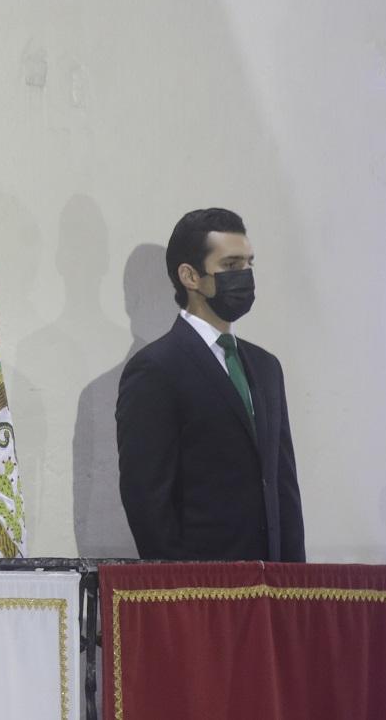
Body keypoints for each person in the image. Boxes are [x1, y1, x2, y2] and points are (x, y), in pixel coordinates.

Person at [116, 208, 304, 561]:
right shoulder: (156, 369)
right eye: (231, 266)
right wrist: (183, 588)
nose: (245, 276)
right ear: (189, 275)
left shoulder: (266, 367)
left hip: (273, 587)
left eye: (249, 264)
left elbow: (283, 486)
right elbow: (147, 499)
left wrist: (297, 585)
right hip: (202, 592)